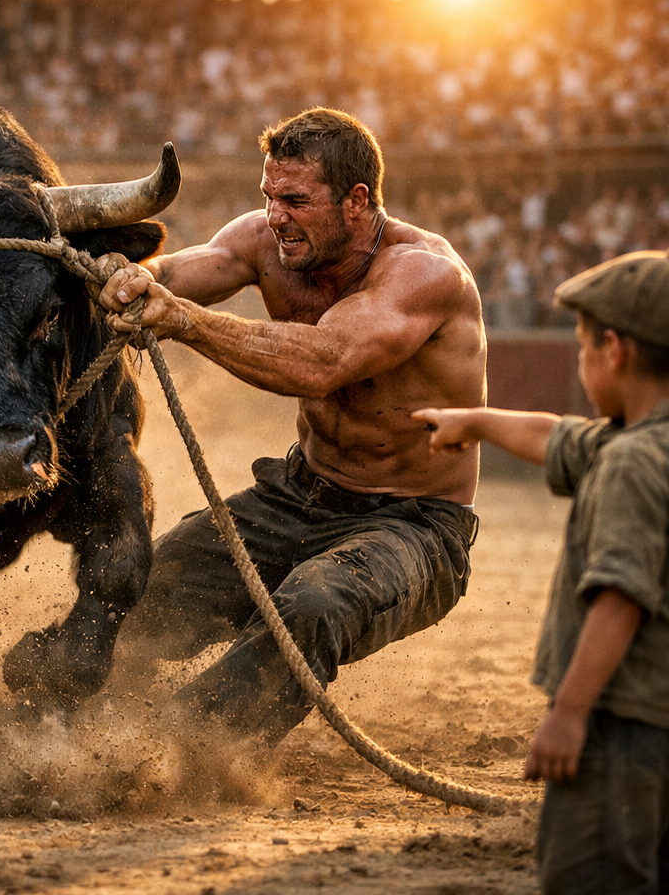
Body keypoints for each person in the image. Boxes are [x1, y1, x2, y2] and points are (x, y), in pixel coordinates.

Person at [98, 107, 486, 744]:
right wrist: (131, 279)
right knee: (142, 588)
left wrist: (181, 321)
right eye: (269, 196)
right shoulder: (265, 241)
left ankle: (180, 750)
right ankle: (77, 726)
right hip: (296, 495)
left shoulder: (424, 275)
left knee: (311, 604)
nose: (276, 216)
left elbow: (323, 362)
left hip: (414, 526)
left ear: (356, 201)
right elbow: (174, 273)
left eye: (297, 200)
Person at [413, 251, 669, 894]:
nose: (582, 367)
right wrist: (475, 423)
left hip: (619, 724)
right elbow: (558, 436)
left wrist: (570, 713)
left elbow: (620, 598)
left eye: (581, 349)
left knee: (593, 873)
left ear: (614, 350)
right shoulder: (643, 444)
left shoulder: (632, 464)